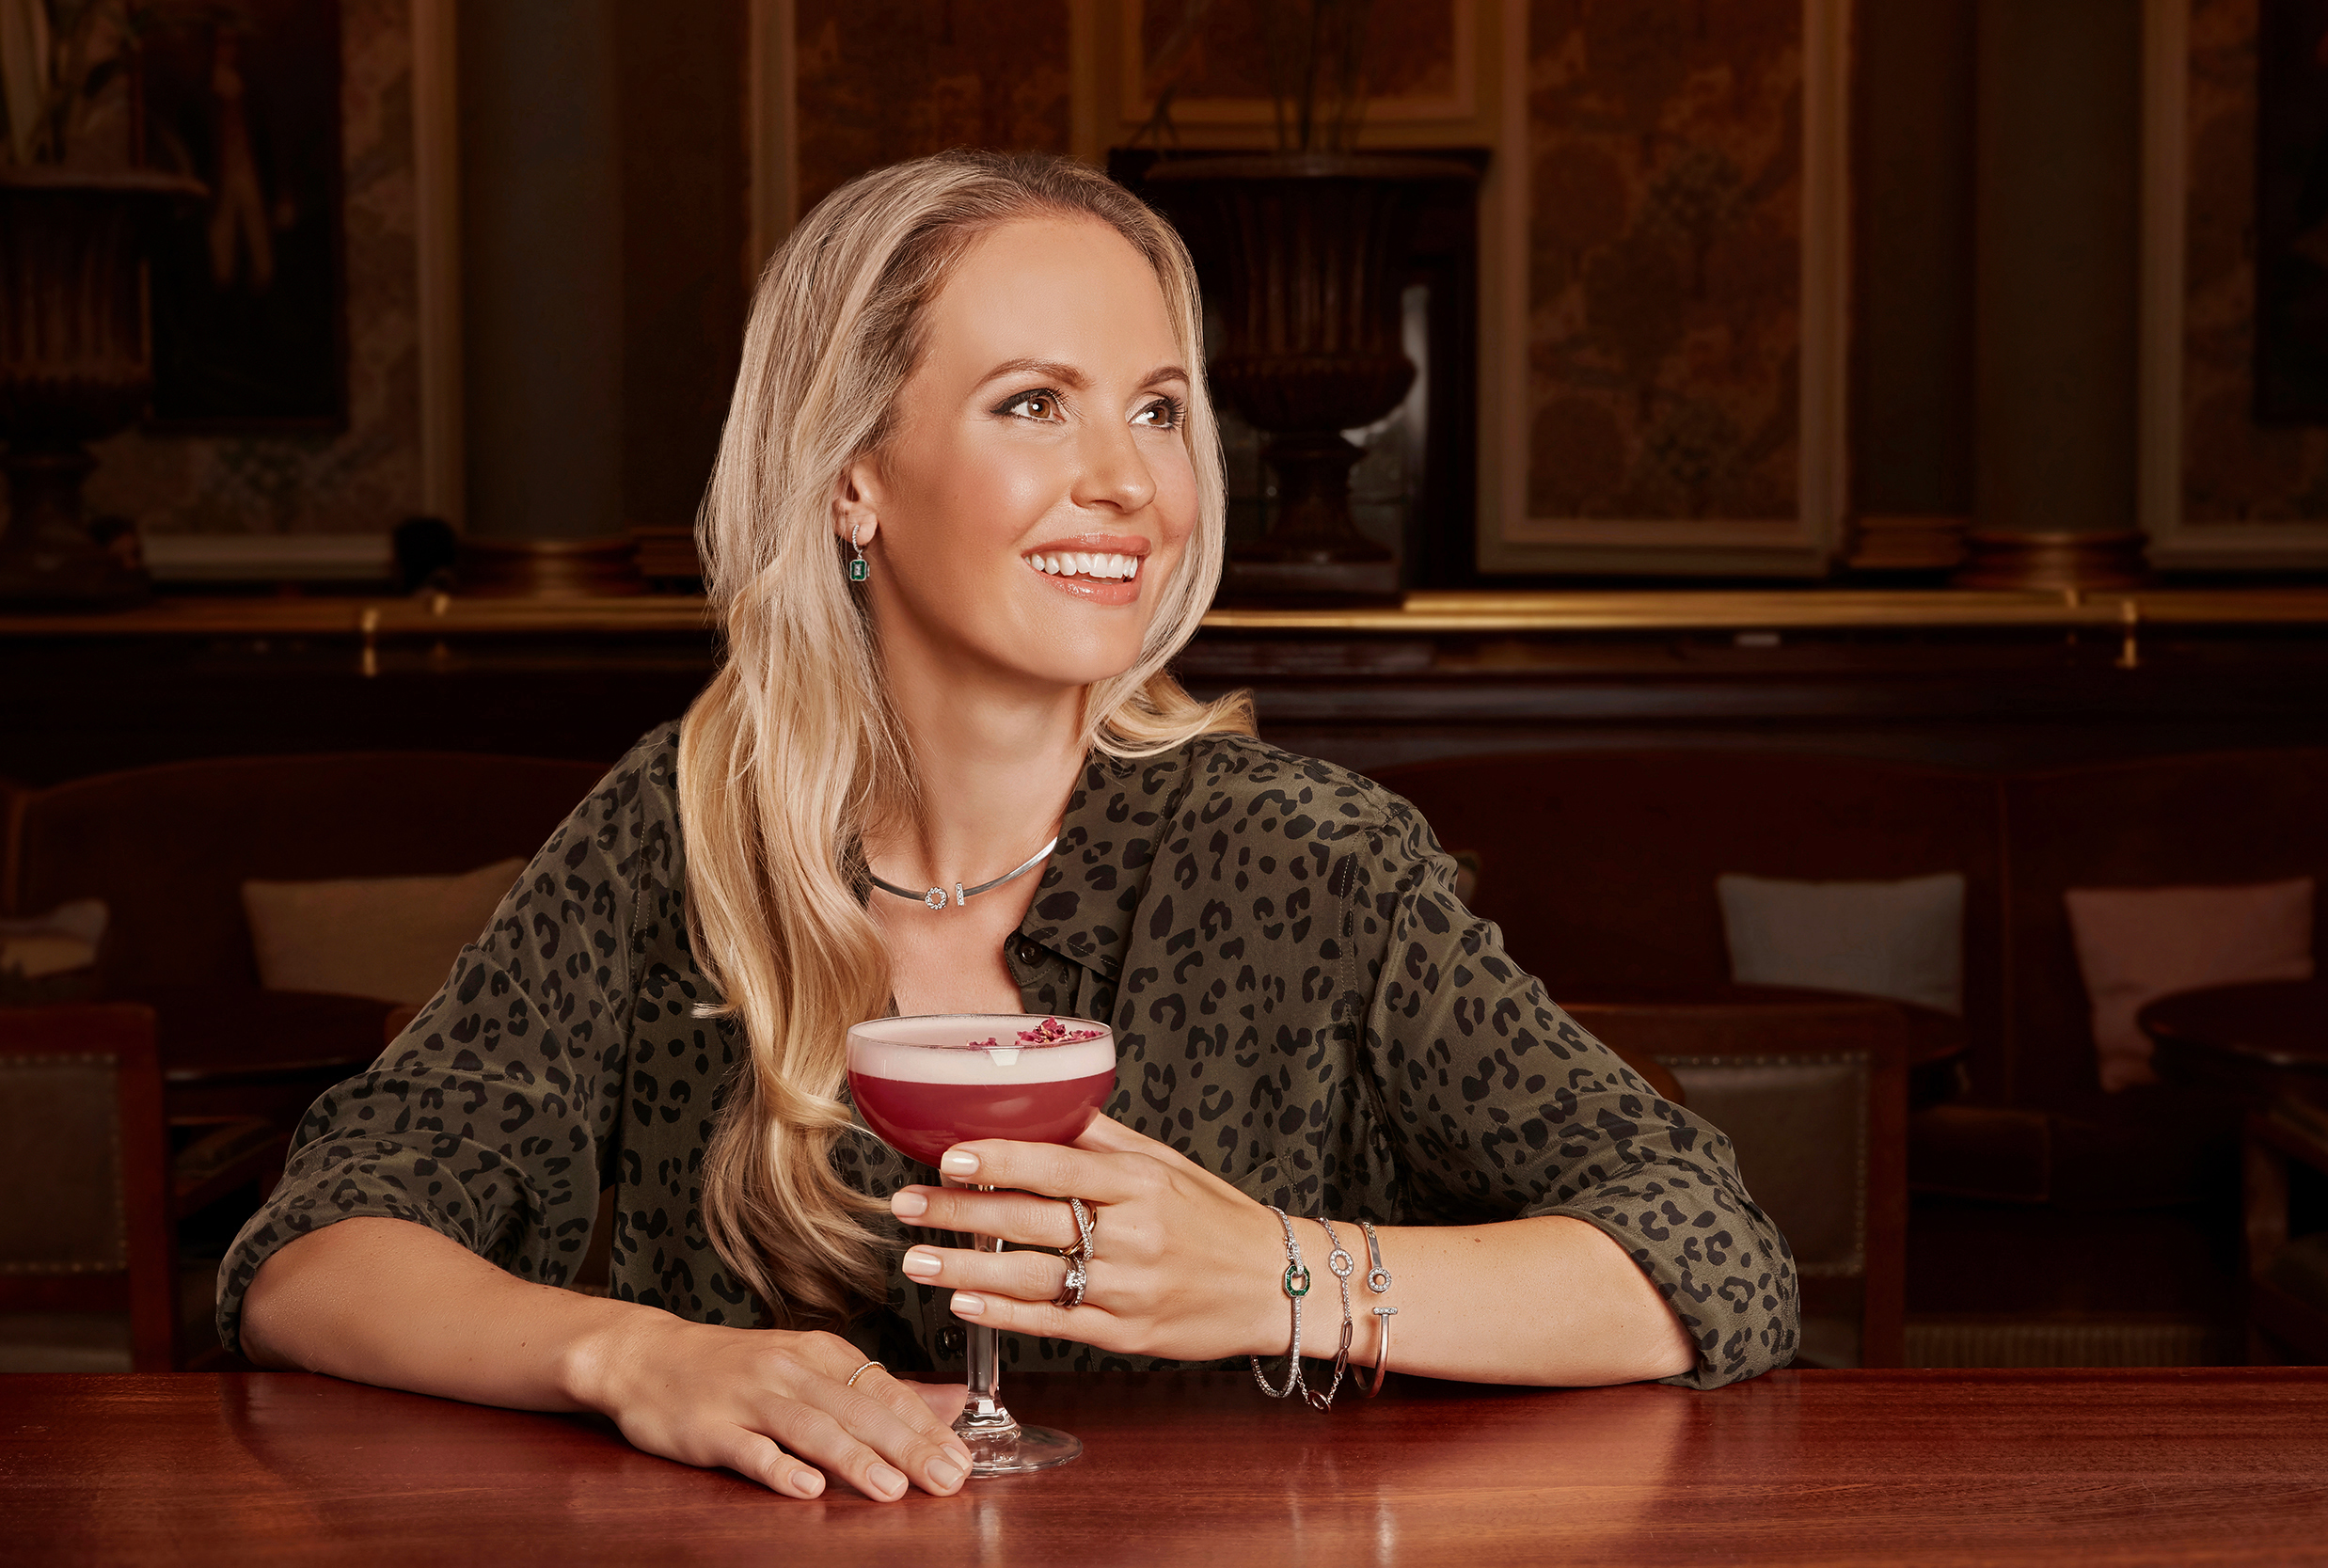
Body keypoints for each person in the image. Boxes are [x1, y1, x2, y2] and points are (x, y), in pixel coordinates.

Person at [223, 150, 1797, 1504]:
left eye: (1162, 410)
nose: (1128, 481)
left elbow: (1711, 1257)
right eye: (1035, 403)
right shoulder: (682, 830)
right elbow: (314, 1257)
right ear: (853, 479)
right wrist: (640, 1361)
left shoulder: (1308, 859)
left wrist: (1284, 1278)